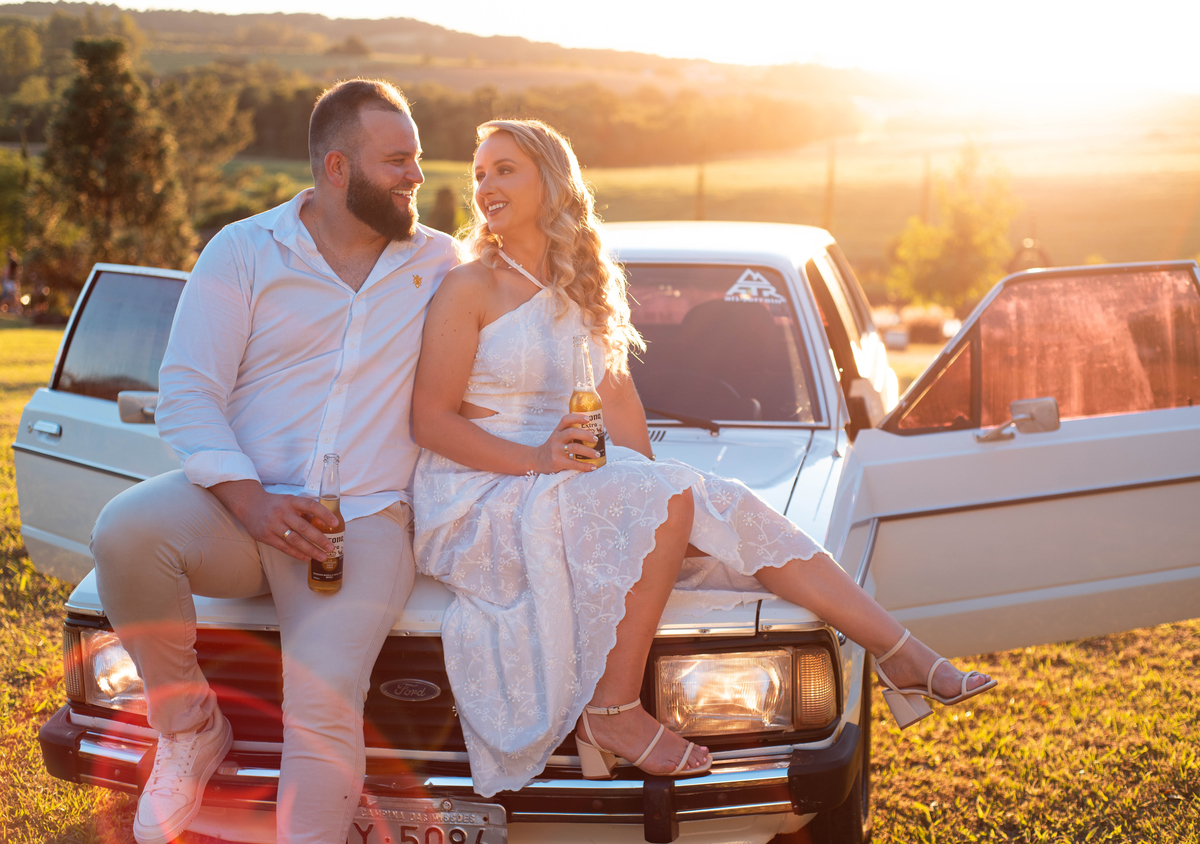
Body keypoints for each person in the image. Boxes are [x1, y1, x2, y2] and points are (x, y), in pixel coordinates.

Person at [411, 119, 996, 798]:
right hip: (478, 492)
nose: (485, 185)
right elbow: (430, 420)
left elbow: (619, 407)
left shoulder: (580, 286)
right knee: (672, 500)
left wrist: (644, 499)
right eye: (479, 173)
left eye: (505, 169)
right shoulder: (468, 287)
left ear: (551, 180)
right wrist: (545, 460)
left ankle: (900, 652)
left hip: (562, 478)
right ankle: (611, 712)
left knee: (720, 503)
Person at [90, 79, 458, 844]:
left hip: (363, 521)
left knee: (322, 704)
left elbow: (502, 368)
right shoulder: (242, 250)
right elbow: (188, 392)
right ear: (337, 168)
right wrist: (252, 502)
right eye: (398, 160)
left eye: (416, 158)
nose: (417, 176)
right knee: (124, 529)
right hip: (240, 507)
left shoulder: (440, 264)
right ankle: (190, 728)